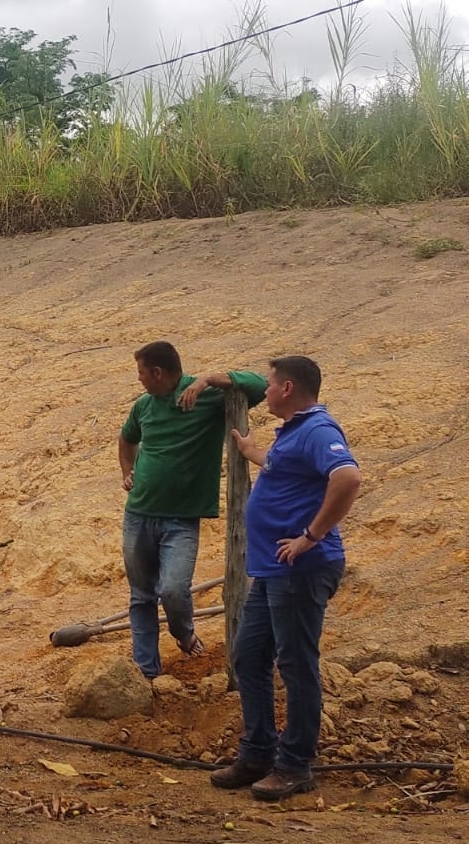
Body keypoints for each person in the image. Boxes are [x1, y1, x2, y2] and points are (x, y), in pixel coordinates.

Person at [210, 355, 361, 802]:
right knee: (250, 655)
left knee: (296, 665)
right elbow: (283, 469)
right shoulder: (294, 432)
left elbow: (348, 478)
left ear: (288, 388)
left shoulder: (318, 429)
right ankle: (258, 751)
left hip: (301, 570)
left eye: (270, 384)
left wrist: (310, 536)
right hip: (275, 571)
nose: (266, 391)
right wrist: (252, 452)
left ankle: (295, 764)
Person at [118, 342, 268, 679]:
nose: (139, 380)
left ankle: (183, 632)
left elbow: (259, 386)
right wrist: (126, 471)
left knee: (173, 588)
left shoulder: (204, 399)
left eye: (141, 373)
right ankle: (147, 671)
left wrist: (205, 381)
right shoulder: (143, 406)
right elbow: (126, 439)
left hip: (180, 519)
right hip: (138, 513)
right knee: (141, 596)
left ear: (157, 372)